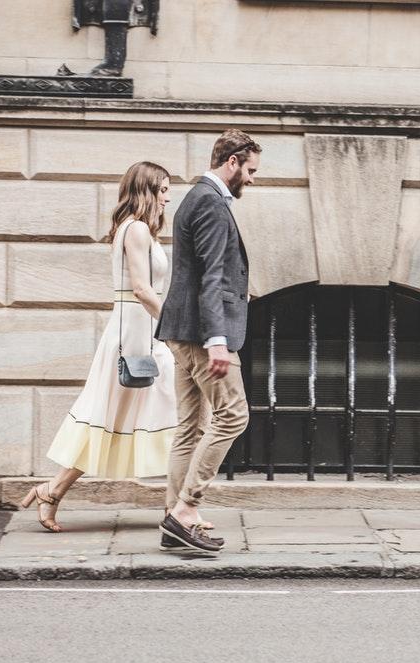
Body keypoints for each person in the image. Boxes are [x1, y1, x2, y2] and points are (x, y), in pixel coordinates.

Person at [21, 161, 177, 532]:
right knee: (114, 418)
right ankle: (182, 508)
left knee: (138, 416)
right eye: (164, 190)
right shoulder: (136, 229)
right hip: (136, 336)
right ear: (148, 190)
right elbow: (141, 289)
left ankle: (53, 491)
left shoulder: (137, 229)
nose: (168, 198)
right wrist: (174, 325)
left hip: (142, 332)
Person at [156, 129, 261, 552]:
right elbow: (212, 277)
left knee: (190, 427)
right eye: (250, 170)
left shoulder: (195, 198)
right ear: (231, 162)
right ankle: (185, 509)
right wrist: (218, 340)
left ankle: (174, 518)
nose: (252, 179)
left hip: (181, 330)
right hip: (203, 334)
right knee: (234, 416)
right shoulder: (212, 204)